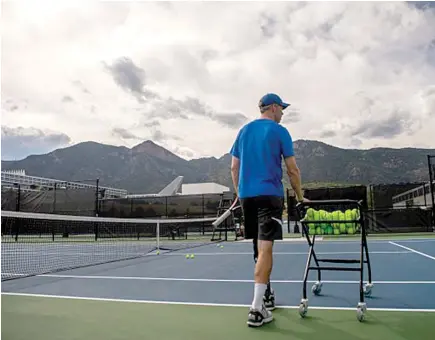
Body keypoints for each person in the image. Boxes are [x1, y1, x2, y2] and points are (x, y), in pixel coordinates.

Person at [229, 93, 306, 327]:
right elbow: (293, 171)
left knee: (257, 248)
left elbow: (234, 167)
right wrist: (301, 198)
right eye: (281, 108)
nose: (282, 113)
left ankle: (267, 297)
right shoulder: (279, 131)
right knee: (265, 249)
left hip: (247, 197)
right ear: (273, 108)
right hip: (269, 196)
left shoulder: (243, 131)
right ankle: (255, 309)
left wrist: (239, 193)